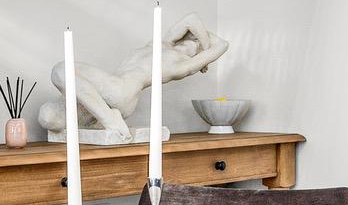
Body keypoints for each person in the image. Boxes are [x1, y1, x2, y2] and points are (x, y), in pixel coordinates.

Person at [37, 14, 229, 142]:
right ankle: (104, 117)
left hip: (122, 92)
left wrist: (204, 54)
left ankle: (110, 119)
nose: (191, 42)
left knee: (60, 71)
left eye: (196, 46)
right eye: (192, 40)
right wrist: (203, 44)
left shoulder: (181, 66)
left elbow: (222, 44)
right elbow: (191, 18)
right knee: (48, 116)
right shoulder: (160, 44)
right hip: (112, 89)